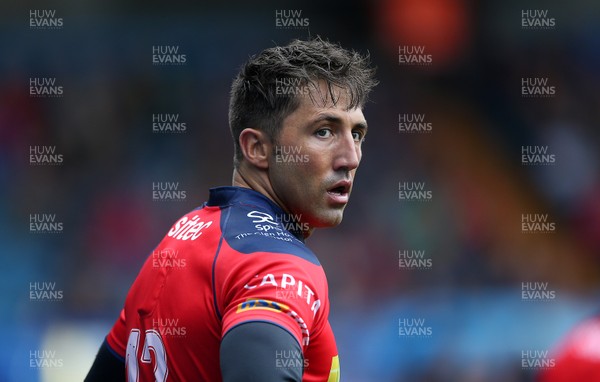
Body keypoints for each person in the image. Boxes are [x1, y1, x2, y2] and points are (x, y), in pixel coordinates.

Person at [85, 36, 377, 381]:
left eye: (356, 134)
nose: (351, 157)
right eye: (324, 131)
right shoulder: (278, 265)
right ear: (257, 148)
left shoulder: (181, 238)